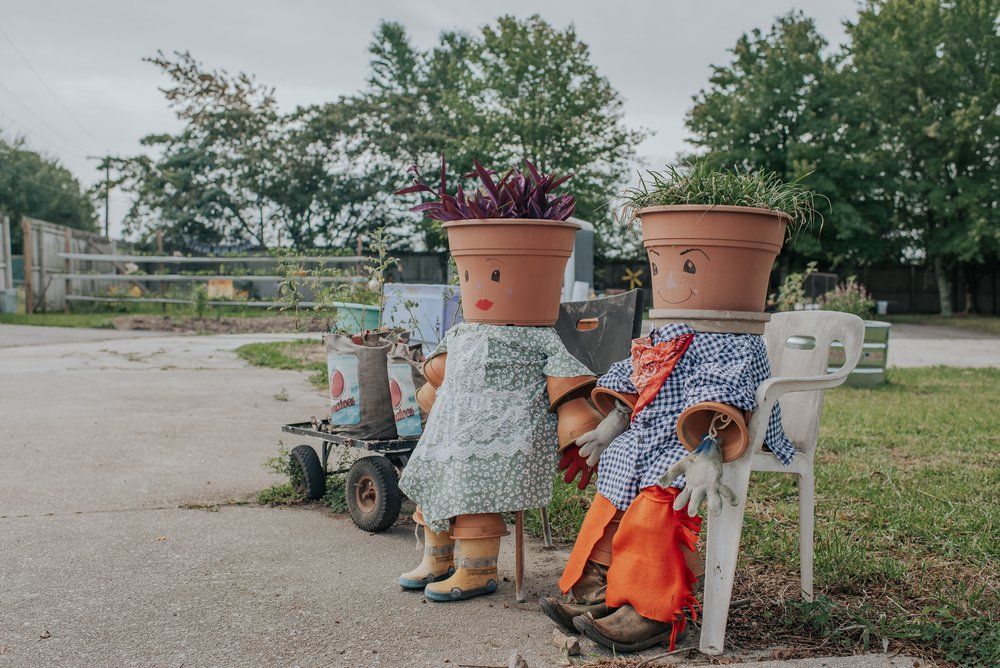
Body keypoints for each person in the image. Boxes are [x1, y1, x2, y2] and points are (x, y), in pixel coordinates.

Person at [542, 322, 795, 651]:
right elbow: (643, 377)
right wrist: (616, 420)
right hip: (654, 431)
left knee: (662, 489)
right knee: (620, 460)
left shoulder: (732, 338)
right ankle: (603, 591)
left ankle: (650, 610)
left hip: (696, 437)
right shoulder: (667, 333)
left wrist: (710, 446)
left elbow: (723, 392)